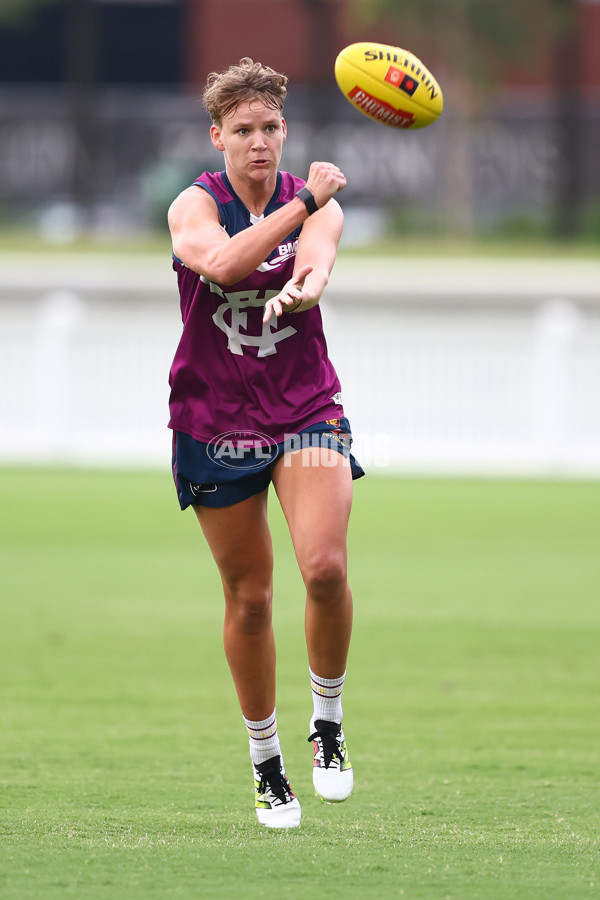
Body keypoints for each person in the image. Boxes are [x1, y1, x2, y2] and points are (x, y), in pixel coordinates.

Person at [167, 57, 364, 829]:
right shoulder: (195, 205)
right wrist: (304, 202)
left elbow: (315, 265)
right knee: (250, 599)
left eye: (271, 128)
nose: (259, 143)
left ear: (285, 130)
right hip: (214, 417)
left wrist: (304, 283)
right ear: (217, 136)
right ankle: (265, 761)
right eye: (242, 130)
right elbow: (219, 262)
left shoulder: (316, 207)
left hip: (303, 405)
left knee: (325, 566)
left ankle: (328, 724)